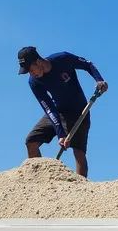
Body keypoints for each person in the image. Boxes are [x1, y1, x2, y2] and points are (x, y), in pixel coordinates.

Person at [18, 46, 108, 177]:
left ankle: (80, 188)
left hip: (80, 111)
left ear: (38, 61)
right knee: (31, 141)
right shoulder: (34, 82)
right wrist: (60, 133)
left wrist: (99, 80)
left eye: (31, 69)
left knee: (79, 153)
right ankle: (37, 180)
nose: (32, 74)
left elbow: (87, 65)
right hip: (58, 111)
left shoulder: (62, 59)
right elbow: (48, 108)